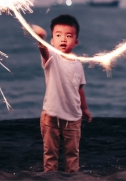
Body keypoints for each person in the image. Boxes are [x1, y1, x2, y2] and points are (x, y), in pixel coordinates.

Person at [33, 14, 92, 173]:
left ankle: (72, 176)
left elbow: (79, 88)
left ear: (76, 41)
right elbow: (43, 50)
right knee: (50, 154)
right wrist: (40, 39)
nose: (63, 39)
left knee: (72, 154)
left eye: (68, 35)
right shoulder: (52, 58)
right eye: (58, 35)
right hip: (51, 116)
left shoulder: (78, 65)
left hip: (73, 118)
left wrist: (85, 109)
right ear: (52, 41)